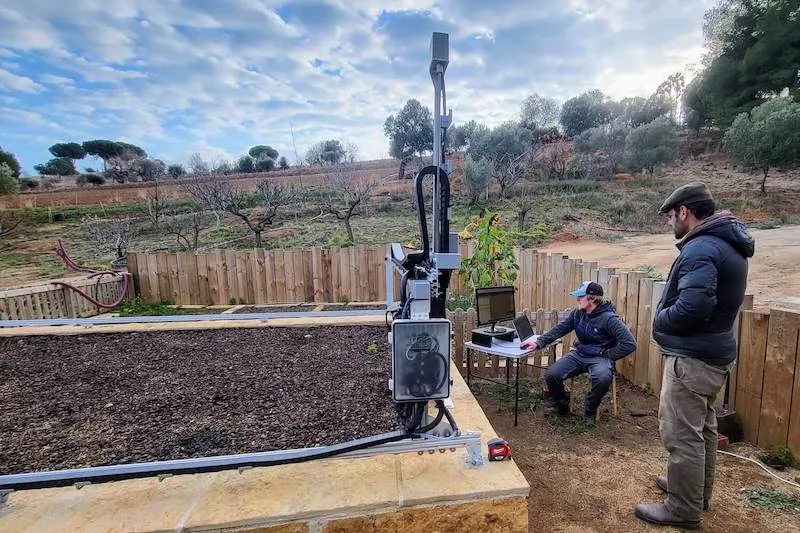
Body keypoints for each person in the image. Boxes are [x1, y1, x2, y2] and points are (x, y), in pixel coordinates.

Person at [635, 182, 754, 530]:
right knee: (702, 429)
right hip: (713, 354)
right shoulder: (727, 244)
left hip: (693, 359)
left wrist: (660, 321)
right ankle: (695, 493)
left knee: (681, 434)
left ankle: (683, 509)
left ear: (684, 212)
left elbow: (694, 305)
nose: (671, 222)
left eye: (672, 216)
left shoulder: (701, 248)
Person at [521, 281, 636, 426]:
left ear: (592, 299)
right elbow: (560, 329)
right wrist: (538, 342)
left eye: (580, 296)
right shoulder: (577, 314)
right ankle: (562, 404)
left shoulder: (609, 319)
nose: (577, 299)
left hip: (599, 357)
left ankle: (590, 409)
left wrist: (608, 355)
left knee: (602, 379)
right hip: (579, 354)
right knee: (552, 374)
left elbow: (630, 343)